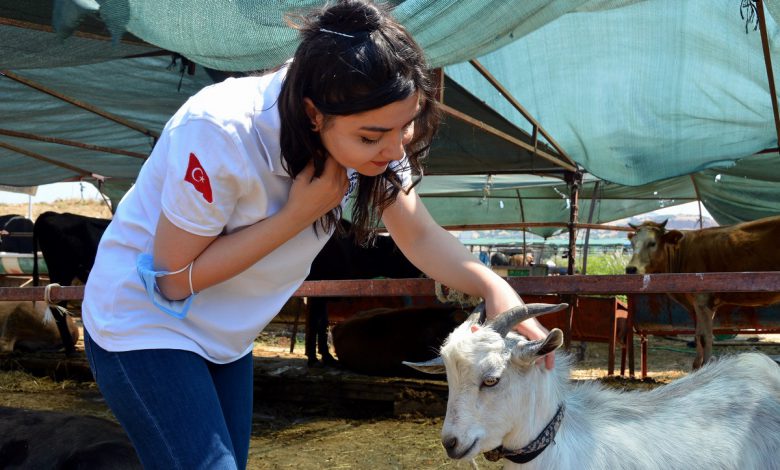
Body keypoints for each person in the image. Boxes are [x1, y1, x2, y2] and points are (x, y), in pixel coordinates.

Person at [81, 1, 554, 468]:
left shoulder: (373, 135)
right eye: (371, 137)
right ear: (313, 114)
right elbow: (170, 279)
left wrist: (495, 287)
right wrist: (296, 214)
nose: (392, 151)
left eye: (404, 126)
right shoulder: (219, 133)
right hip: (144, 323)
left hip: (228, 336)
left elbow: (421, 236)